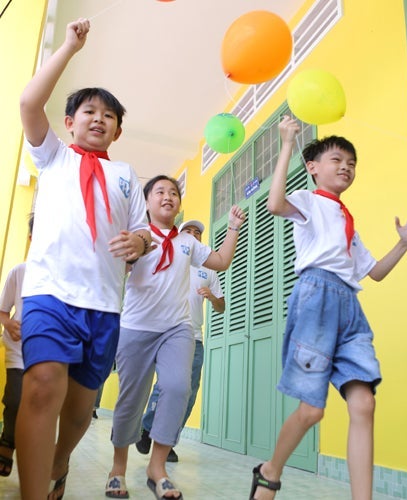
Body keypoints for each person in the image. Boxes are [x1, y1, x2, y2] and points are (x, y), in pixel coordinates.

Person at [17, 18, 151, 500]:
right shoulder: (53, 156)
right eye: (88, 111)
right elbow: (30, 103)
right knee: (42, 385)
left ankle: (59, 462)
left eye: (108, 115)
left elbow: (143, 231)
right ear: (70, 122)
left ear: (117, 131)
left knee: (78, 411)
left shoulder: (125, 175)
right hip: (50, 294)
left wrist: (140, 243)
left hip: (103, 306)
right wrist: (70, 48)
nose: (98, 118)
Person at [249, 116, 407, 500]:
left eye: (351, 163)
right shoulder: (308, 201)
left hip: (349, 306)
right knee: (312, 411)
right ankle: (270, 471)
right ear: (313, 168)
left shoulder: (347, 224)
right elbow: (275, 203)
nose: (345, 167)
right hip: (316, 298)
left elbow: (375, 273)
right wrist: (287, 143)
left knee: (364, 403)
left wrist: (405, 243)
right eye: (337, 159)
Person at [106, 175, 245, 499]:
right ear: (147, 202)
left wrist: (235, 227)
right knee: (132, 398)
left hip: (177, 328)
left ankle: (158, 469)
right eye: (160, 192)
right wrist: (130, 253)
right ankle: (118, 468)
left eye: (173, 192)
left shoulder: (188, 242)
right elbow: (124, 260)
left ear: (179, 203)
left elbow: (221, 262)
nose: (168, 196)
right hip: (137, 327)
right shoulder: (139, 235)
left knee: (179, 387)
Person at [136, 219, 226, 462]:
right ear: (181, 236)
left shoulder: (209, 270)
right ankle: (147, 428)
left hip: (195, 338)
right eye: (189, 231)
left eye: (198, 232)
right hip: (170, 332)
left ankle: (167, 441)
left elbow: (222, 307)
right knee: (165, 386)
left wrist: (212, 298)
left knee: (189, 392)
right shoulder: (173, 258)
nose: (194, 235)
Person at [0, 213, 34, 478]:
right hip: (18, 350)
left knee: (39, 404)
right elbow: (2, 310)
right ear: (32, 237)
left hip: (48, 355)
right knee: (14, 399)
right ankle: (7, 444)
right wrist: (8, 324)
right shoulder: (19, 272)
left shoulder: (64, 276)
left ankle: (32, 454)